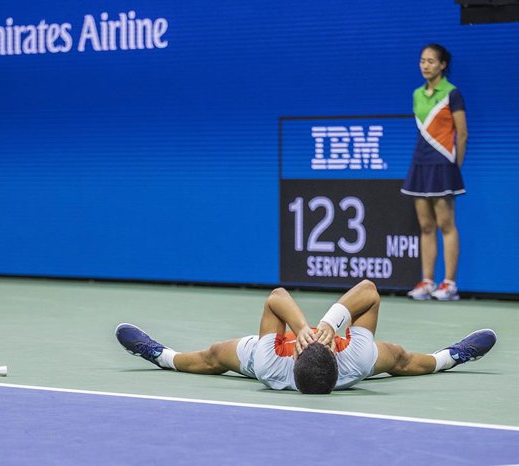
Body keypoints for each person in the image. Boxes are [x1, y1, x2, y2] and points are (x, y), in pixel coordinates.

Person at [115, 280, 496, 394]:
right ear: (335, 351)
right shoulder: (356, 359)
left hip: (270, 354)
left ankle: (160, 355)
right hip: (339, 357)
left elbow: (276, 298)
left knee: (215, 356)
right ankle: (453, 357)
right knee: (398, 358)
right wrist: (332, 323)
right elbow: (369, 291)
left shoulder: (270, 363)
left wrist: (301, 330)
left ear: (295, 356)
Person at [401, 44, 468, 301]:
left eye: (431, 61)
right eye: (422, 60)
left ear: (442, 65)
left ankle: (449, 284)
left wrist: (454, 166)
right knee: (426, 226)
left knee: (446, 225)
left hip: (444, 165)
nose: (425, 65)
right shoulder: (417, 94)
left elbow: (462, 133)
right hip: (420, 164)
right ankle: (427, 281)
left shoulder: (452, 94)